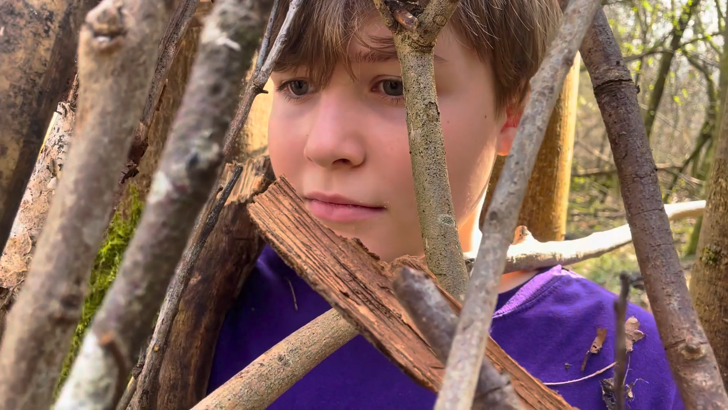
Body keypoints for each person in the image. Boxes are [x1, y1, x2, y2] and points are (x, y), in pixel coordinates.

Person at [207, 0, 684, 408]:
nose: (325, 143)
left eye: (395, 86)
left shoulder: (621, 356)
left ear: (514, 112)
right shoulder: (213, 294)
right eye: (297, 86)